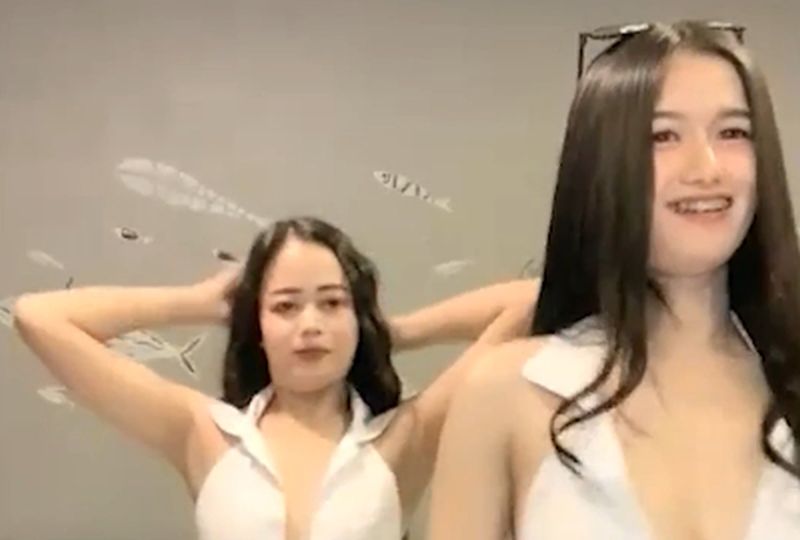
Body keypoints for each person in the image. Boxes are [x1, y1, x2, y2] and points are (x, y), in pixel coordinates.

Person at [428, 20, 800, 540]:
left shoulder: (787, 378)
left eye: (734, 132)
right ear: (601, 165)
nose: (707, 167)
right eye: (662, 136)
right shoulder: (505, 394)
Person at [13, 216, 538, 540]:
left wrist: (386, 332)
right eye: (286, 306)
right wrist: (198, 302)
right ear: (257, 327)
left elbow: (532, 302)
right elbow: (39, 317)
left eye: (332, 303)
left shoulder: (403, 440)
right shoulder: (205, 433)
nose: (310, 325)